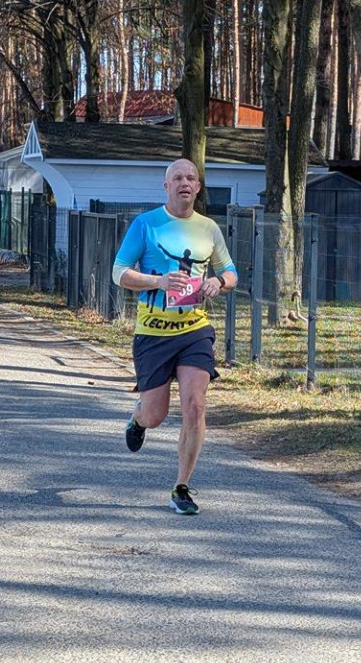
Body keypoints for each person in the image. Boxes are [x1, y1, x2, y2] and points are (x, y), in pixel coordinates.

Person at [112, 158, 238, 515]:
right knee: (155, 414)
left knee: (196, 407)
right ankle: (138, 420)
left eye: (191, 178)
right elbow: (118, 272)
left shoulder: (209, 228)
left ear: (198, 188)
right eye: (177, 178)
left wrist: (218, 281)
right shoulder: (145, 224)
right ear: (165, 186)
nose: (184, 183)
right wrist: (158, 281)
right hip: (153, 334)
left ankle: (181, 487)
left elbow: (230, 272)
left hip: (194, 331)